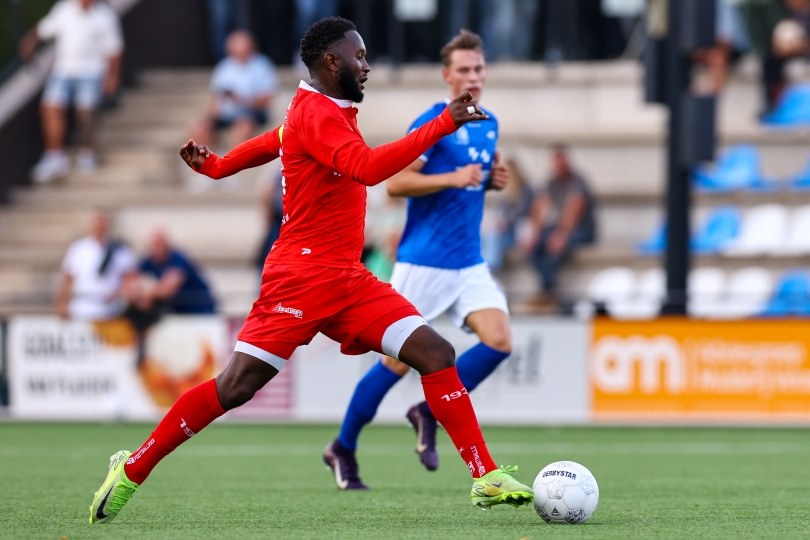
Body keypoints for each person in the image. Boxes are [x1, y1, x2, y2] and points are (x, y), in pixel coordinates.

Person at [88, 17, 533, 525]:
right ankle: (133, 467)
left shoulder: (322, 110)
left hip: (347, 278)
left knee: (435, 352)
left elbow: (273, 140)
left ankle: (485, 476)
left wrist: (218, 166)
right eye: (359, 57)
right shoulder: (319, 114)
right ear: (331, 61)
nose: (366, 66)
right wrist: (444, 123)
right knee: (235, 388)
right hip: (298, 278)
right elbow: (366, 169)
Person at [323, 29, 514, 490]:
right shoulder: (433, 120)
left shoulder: (489, 123)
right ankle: (343, 447)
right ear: (448, 75)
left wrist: (487, 181)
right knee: (396, 363)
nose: (473, 75)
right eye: (464, 69)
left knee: (500, 340)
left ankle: (428, 409)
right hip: (423, 262)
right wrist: (454, 177)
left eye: (479, 67)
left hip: (467, 262)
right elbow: (395, 184)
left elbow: (471, 178)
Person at [19, 0, 123, 183]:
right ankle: (54, 155)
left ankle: (87, 151)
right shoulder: (64, 9)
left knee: (86, 113)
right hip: (63, 70)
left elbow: (113, 48)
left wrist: (112, 75)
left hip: (92, 71)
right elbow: (45, 29)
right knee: (51, 108)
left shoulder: (105, 15)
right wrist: (30, 41)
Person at [522, 145, 596, 309]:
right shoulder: (551, 183)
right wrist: (532, 233)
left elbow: (574, 212)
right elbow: (540, 207)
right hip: (557, 228)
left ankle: (546, 290)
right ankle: (549, 287)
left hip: (581, 230)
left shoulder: (577, 182)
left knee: (558, 246)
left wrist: (561, 234)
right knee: (535, 246)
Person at [192, 30, 279, 149]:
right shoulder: (224, 67)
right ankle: (206, 164)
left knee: (243, 127)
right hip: (226, 114)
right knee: (199, 128)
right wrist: (210, 117)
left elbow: (268, 98)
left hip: (252, 113)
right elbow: (215, 97)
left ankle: (236, 165)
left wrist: (244, 101)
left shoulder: (262, 65)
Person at [54, 209, 138, 321]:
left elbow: (129, 280)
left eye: (103, 223)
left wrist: (120, 293)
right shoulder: (78, 249)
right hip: (82, 308)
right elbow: (67, 279)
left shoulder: (121, 250)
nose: (99, 227)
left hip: (111, 310)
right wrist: (61, 303)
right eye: (97, 223)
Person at [135, 229, 217, 316]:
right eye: (154, 245)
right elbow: (133, 284)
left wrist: (147, 291)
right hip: (178, 313)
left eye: (159, 244)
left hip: (200, 309)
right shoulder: (148, 262)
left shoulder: (178, 259)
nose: (156, 248)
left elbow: (168, 289)